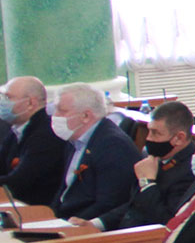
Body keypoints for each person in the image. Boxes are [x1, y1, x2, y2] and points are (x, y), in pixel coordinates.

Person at [93, 100, 195, 230]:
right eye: (149, 131)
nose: (148, 138)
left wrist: (147, 183)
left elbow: (166, 221)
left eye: (156, 133)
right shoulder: (156, 159)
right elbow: (134, 205)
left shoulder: (191, 171)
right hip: (125, 231)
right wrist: (97, 223)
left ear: (179, 138)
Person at [50, 84, 137, 223]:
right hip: (64, 218)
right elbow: (65, 190)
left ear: (86, 116)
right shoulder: (74, 139)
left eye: (62, 111)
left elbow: (109, 203)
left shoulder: (113, 145)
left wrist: (70, 224)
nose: (55, 116)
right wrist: (50, 216)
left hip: (86, 224)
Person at [0, 77, 63, 207]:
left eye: (8, 98)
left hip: (37, 209)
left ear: (30, 103)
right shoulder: (16, 130)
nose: (3, 102)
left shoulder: (46, 134)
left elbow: (19, 181)